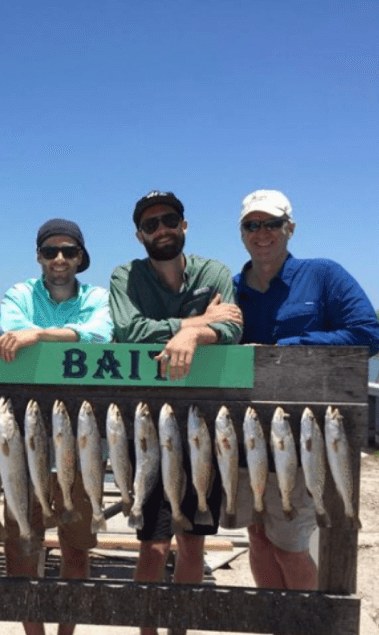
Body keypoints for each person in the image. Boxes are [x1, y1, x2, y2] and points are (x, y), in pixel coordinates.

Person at [232, 189, 379, 591]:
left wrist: (290, 349)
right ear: (242, 232)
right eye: (252, 225)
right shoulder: (231, 290)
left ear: (290, 228)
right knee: (258, 538)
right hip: (249, 436)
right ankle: (275, 623)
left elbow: (368, 336)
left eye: (272, 224)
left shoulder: (325, 274)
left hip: (309, 439)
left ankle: (311, 624)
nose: (262, 233)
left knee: (290, 546)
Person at [109, 189, 243, 635]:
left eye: (169, 219)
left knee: (192, 543)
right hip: (147, 427)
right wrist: (191, 325)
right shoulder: (126, 276)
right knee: (151, 546)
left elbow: (233, 325)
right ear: (139, 235)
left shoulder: (215, 271)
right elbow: (128, 332)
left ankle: (179, 630)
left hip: (204, 424)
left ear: (184, 225)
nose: (161, 229)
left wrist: (196, 337)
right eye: (151, 224)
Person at [0, 218, 113, 635]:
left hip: (83, 444)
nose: (59, 259)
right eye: (50, 251)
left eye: (68, 251)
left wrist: (39, 333)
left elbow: (101, 336)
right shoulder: (18, 293)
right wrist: (52, 336)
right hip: (21, 444)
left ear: (81, 257)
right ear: (38, 256)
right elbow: (10, 333)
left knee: (76, 550)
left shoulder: (100, 296)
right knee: (21, 549)